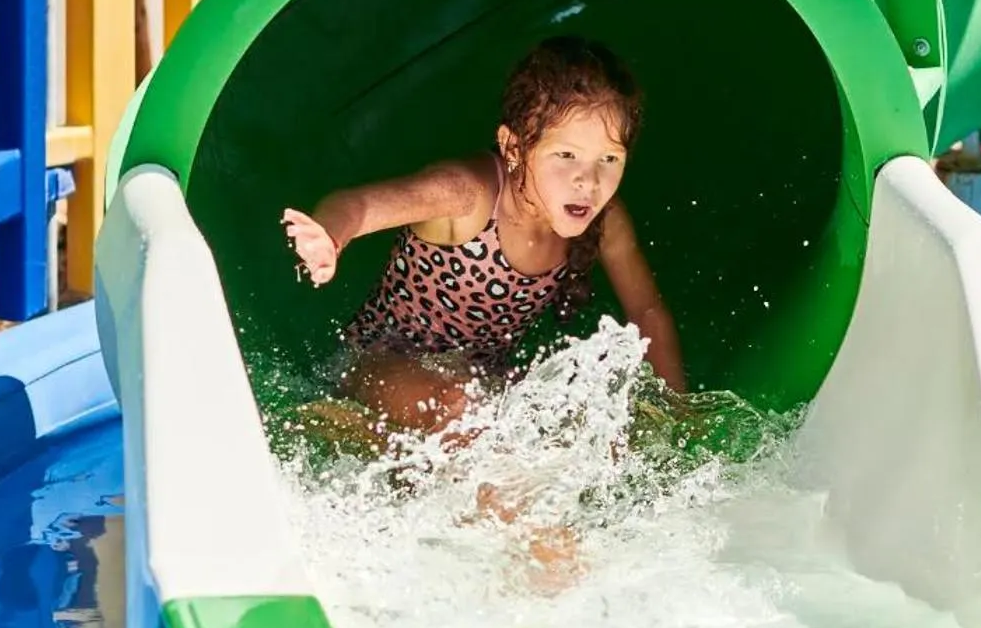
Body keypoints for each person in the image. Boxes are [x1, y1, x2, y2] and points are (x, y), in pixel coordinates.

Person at [280, 37, 685, 436]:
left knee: (569, 420)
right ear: (514, 146)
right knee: (461, 406)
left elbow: (646, 312)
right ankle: (345, 426)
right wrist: (328, 235)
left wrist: (674, 417)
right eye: (566, 156)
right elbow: (360, 205)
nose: (589, 181)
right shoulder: (467, 197)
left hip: (481, 379)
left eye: (609, 159)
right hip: (378, 362)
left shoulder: (605, 222)